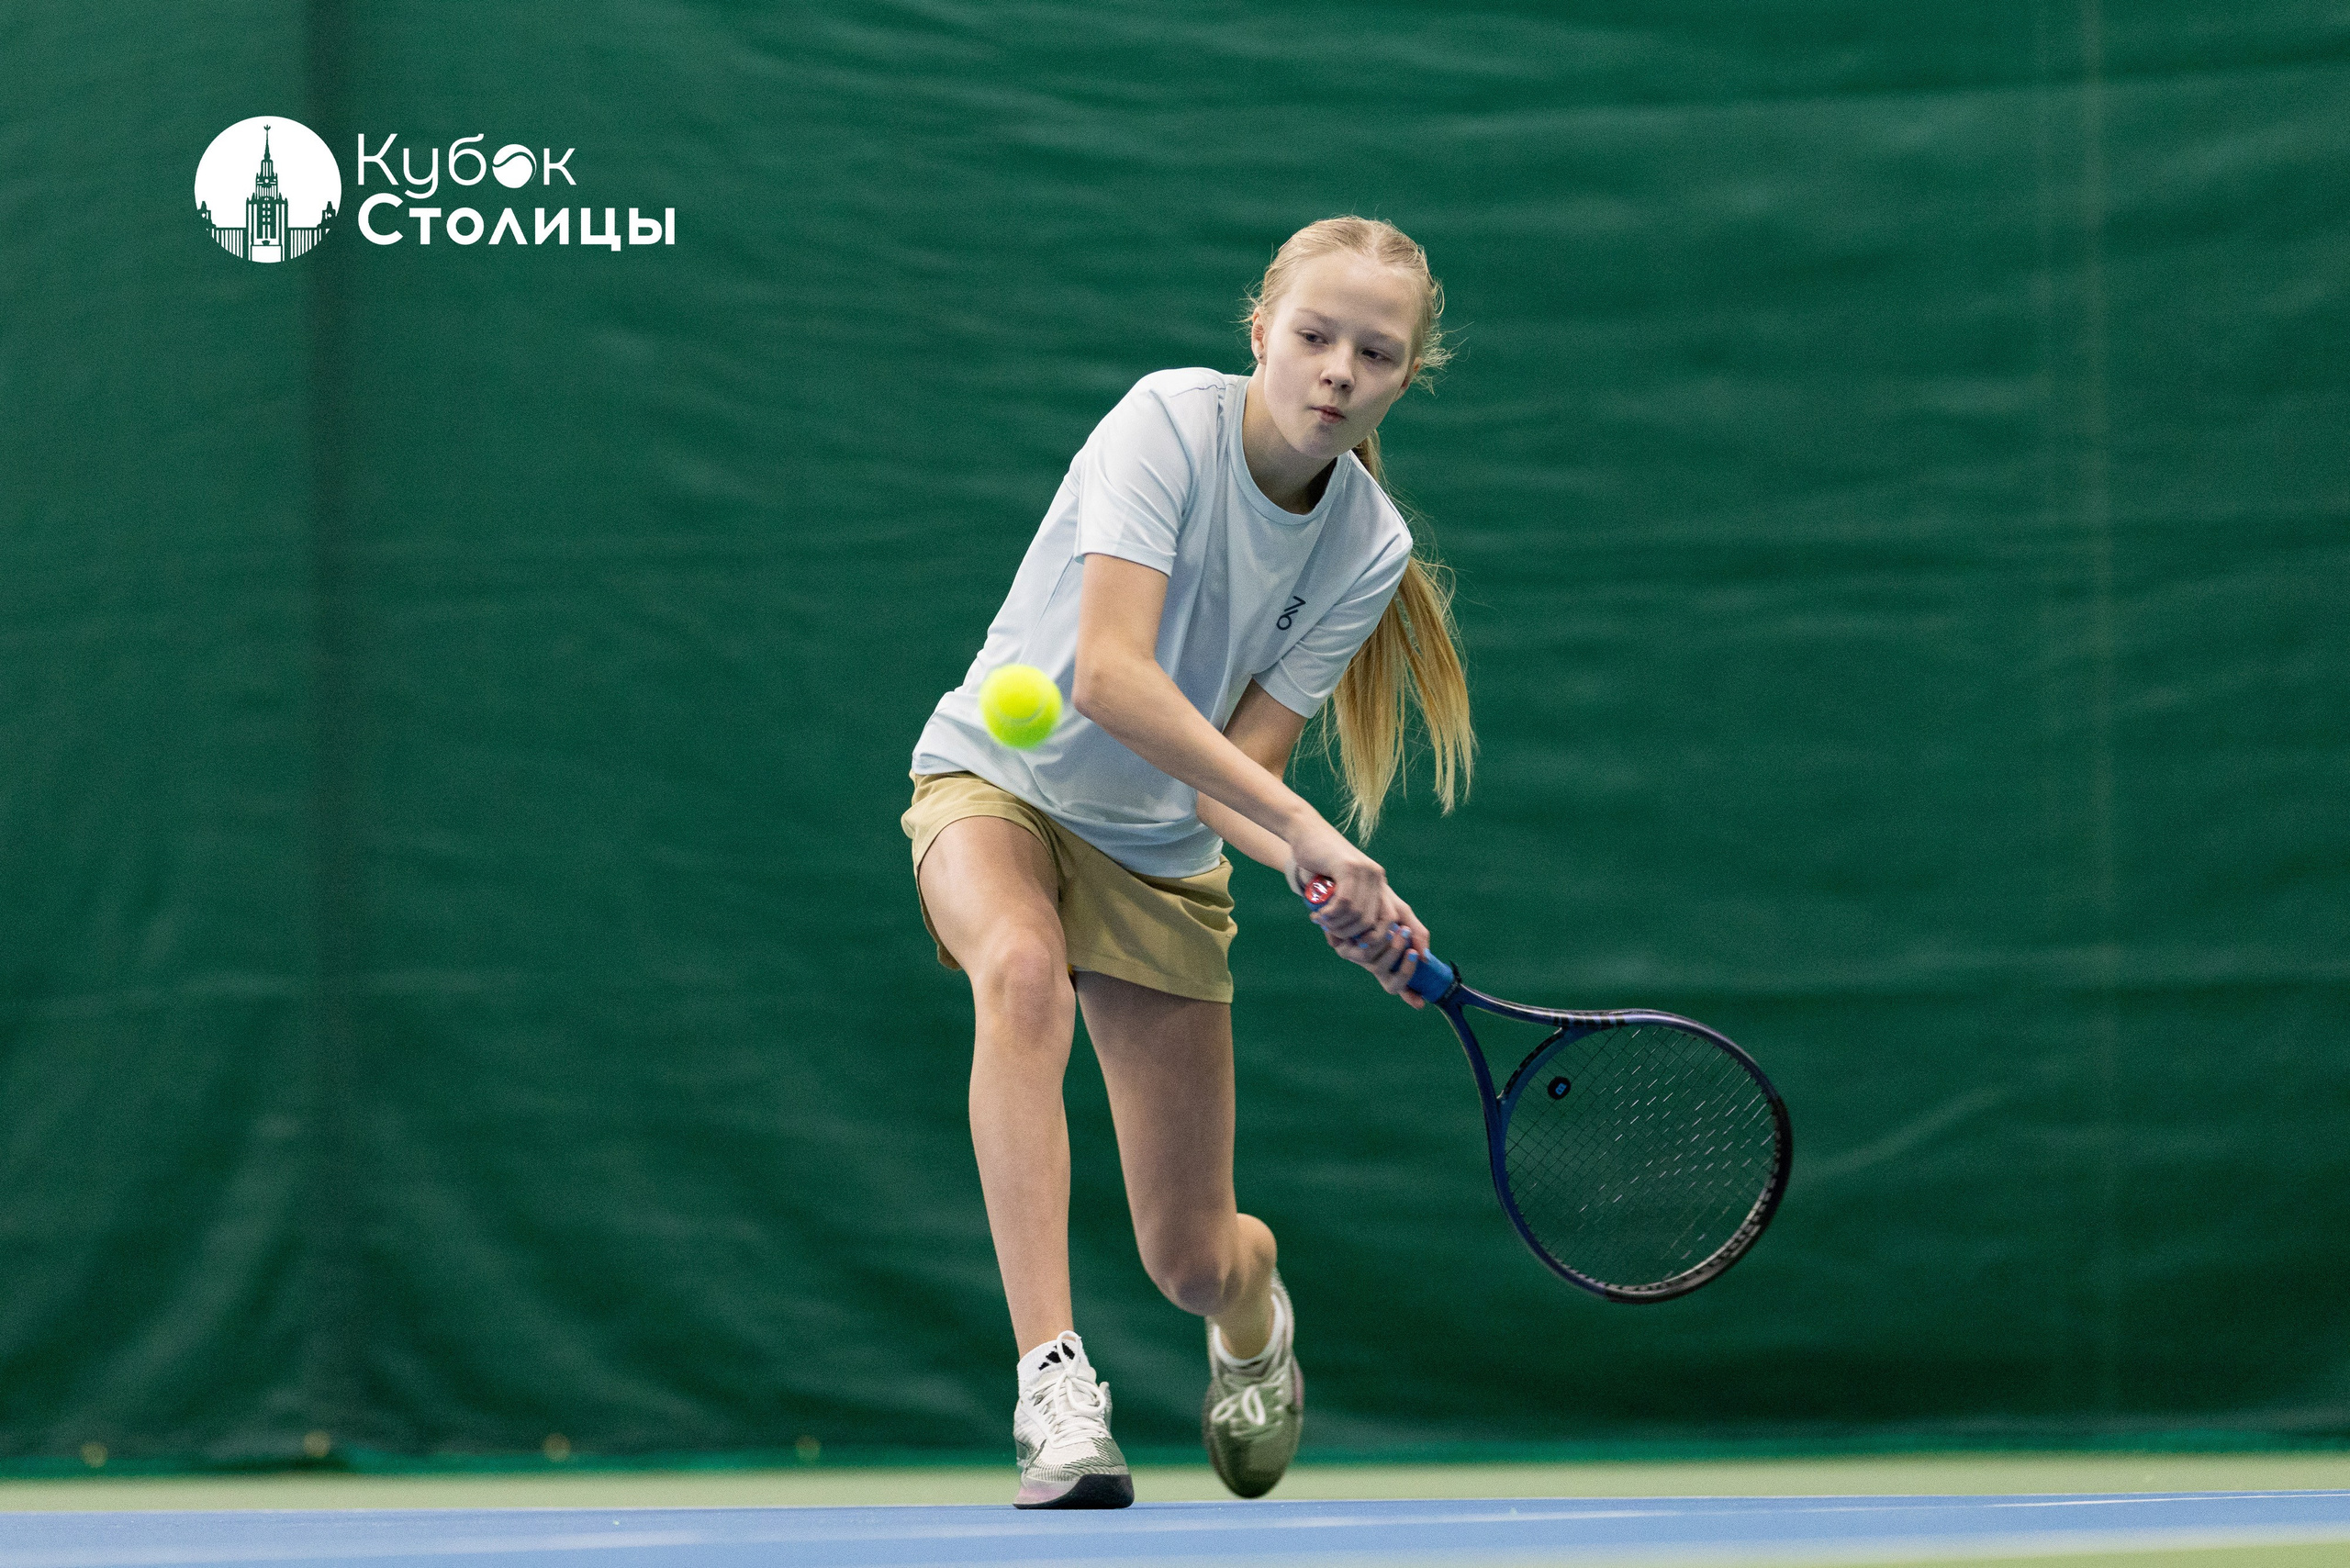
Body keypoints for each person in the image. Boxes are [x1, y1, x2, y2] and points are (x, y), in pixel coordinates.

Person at [901, 215, 1476, 1508]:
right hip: (995, 781)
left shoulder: (1366, 546)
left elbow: (1233, 778)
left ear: (1402, 378)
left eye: (1374, 355)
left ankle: (1252, 1297)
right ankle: (1054, 1391)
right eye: (1316, 336)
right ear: (1261, 330)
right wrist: (1316, 833)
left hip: (1160, 853)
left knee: (1190, 1260)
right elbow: (1106, 676)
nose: (1338, 370)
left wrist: (1319, 879)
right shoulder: (1164, 421)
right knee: (1021, 971)